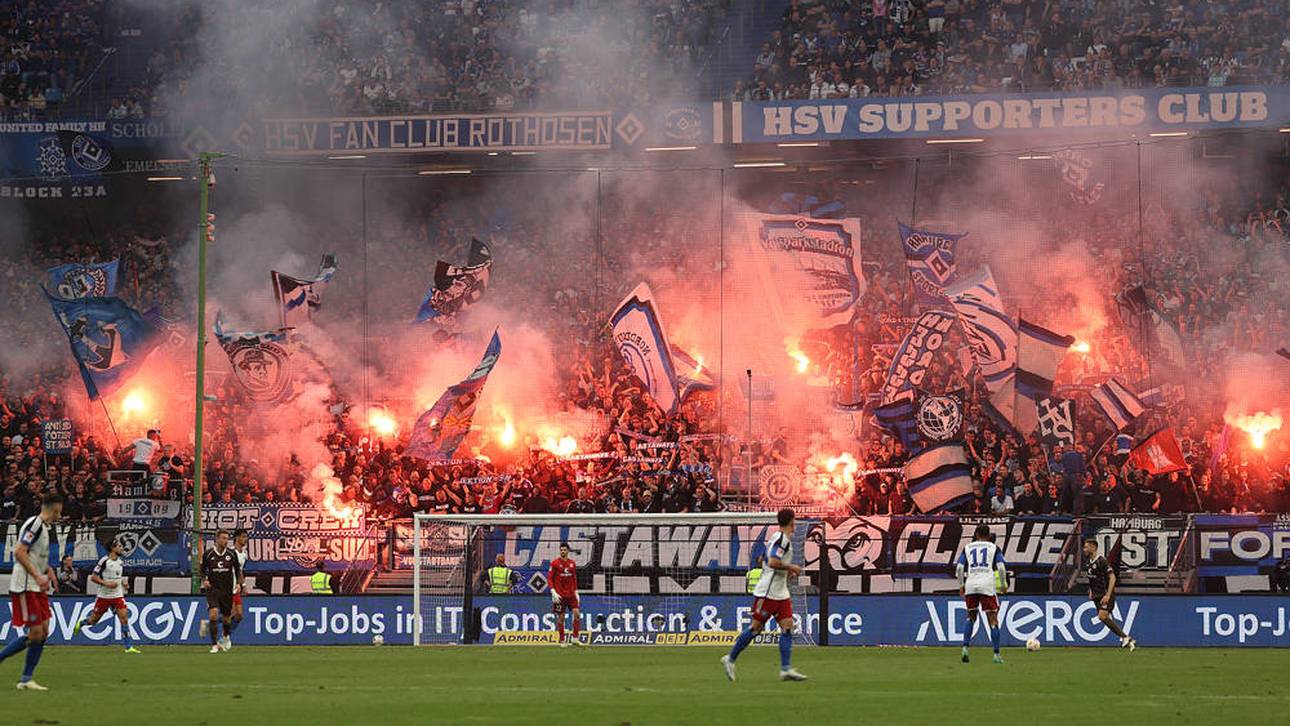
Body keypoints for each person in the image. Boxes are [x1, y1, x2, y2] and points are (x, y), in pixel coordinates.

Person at [721, 507, 807, 682]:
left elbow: (763, 559)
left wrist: (785, 573)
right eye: (795, 520)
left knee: (787, 627)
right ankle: (730, 658)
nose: (796, 523)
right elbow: (773, 561)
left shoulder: (776, 537)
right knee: (756, 628)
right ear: (791, 521)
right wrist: (792, 567)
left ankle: (785, 669)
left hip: (781, 592)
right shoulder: (782, 540)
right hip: (768, 592)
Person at [0, 492, 62, 690]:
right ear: (55, 508)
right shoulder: (34, 524)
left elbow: (34, 555)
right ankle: (13, 668)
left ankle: (27, 679)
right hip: (26, 584)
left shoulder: (43, 527)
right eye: (59, 511)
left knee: (43, 631)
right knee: (35, 633)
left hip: (36, 584)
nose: (60, 515)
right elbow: (19, 551)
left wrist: (48, 570)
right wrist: (37, 575)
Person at [72, 537, 140, 653]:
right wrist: (106, 583)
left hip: (117, 595)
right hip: (104, 596)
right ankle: (82, 623)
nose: (122, 548)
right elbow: (93, 577)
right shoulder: (104, 561)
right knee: (93, 621)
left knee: (124, 618)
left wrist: (123, 582)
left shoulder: (120, 562)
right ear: (113, 548)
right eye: (119, 546)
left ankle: (128, 647)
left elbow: (118, 576)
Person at [956, 523, 1008, 664]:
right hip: (987, 585)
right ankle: (996, 655)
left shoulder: (967, 547)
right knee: (993, 620)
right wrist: (1003, 584)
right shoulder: (994, 548)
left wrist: (961, 585)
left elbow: (960, 568)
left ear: (976, 534)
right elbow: (1001, 567)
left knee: (971, 617)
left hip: (971, 584)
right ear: (989, 535)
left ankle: (965, 648)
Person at [1083, 539, 1136, 651]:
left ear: (1093, 547)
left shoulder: (1102, 561)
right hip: (1096, 595)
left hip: (1105, 595)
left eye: (1086, 547)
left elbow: (1112, 578)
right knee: (1104, 618)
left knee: (1102, 616)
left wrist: (1108, 595)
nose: (1084, 549)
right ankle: (1127, 639)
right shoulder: (1089, 562)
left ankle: (1125, 637)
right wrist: (1091, 590)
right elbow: (1093, 578)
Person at [200, 529, 242, 654]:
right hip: (213, 589)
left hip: (227, 590)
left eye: (227, 539)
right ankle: (214, 645)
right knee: (213, 614)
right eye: (223, 538)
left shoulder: (231, 554)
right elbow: (202, 569)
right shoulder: (208, 554)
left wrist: (239, 583)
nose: (225, 541)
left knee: (226, 618)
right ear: (217, 539)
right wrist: (204, 580)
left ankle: (225, 637)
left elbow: (238, 570)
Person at [548, 542, 581, 647]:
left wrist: (576, 591)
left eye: (564, 550)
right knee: (561, 618)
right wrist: (553, 591)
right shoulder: (554, 563)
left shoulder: (572, 563)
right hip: (560, 595)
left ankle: (575, 638)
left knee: (577, 614)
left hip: (571, 594)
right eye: (561, 550)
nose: (562, 551)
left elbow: (574, 578)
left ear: (568, 551)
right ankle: (562, 640)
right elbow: (550, 578)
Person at [228, 529, 250, 645]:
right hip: (227, 587)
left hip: (236, 588)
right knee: (231, 614)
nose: (245, 539)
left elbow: (239, 571)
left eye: (246, 537)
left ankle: (224, 635)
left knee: (239, 615)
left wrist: (243, 585)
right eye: (243, 536)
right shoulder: (230, 553)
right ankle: (224, 637)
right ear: (236, 538)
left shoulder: (244, 554)